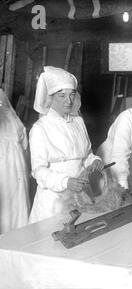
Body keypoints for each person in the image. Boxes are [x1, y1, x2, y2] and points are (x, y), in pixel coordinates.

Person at [29, 66, 103, 223]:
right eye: (62, 95)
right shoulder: (40, 128)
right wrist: (66, 182)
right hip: (54, 200)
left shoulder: (78, 121)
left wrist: (94, 161)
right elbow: (38, 171)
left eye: (72, 94)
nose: (68, 101)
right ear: (50, 97)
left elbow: (86, 154)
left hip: (82, 193)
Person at [0, 89, 30, 233]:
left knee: (12, 208)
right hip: (13, 169)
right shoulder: (13, 118)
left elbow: (24, 143)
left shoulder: (11, 118)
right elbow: (25, 144)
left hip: (13, 171)